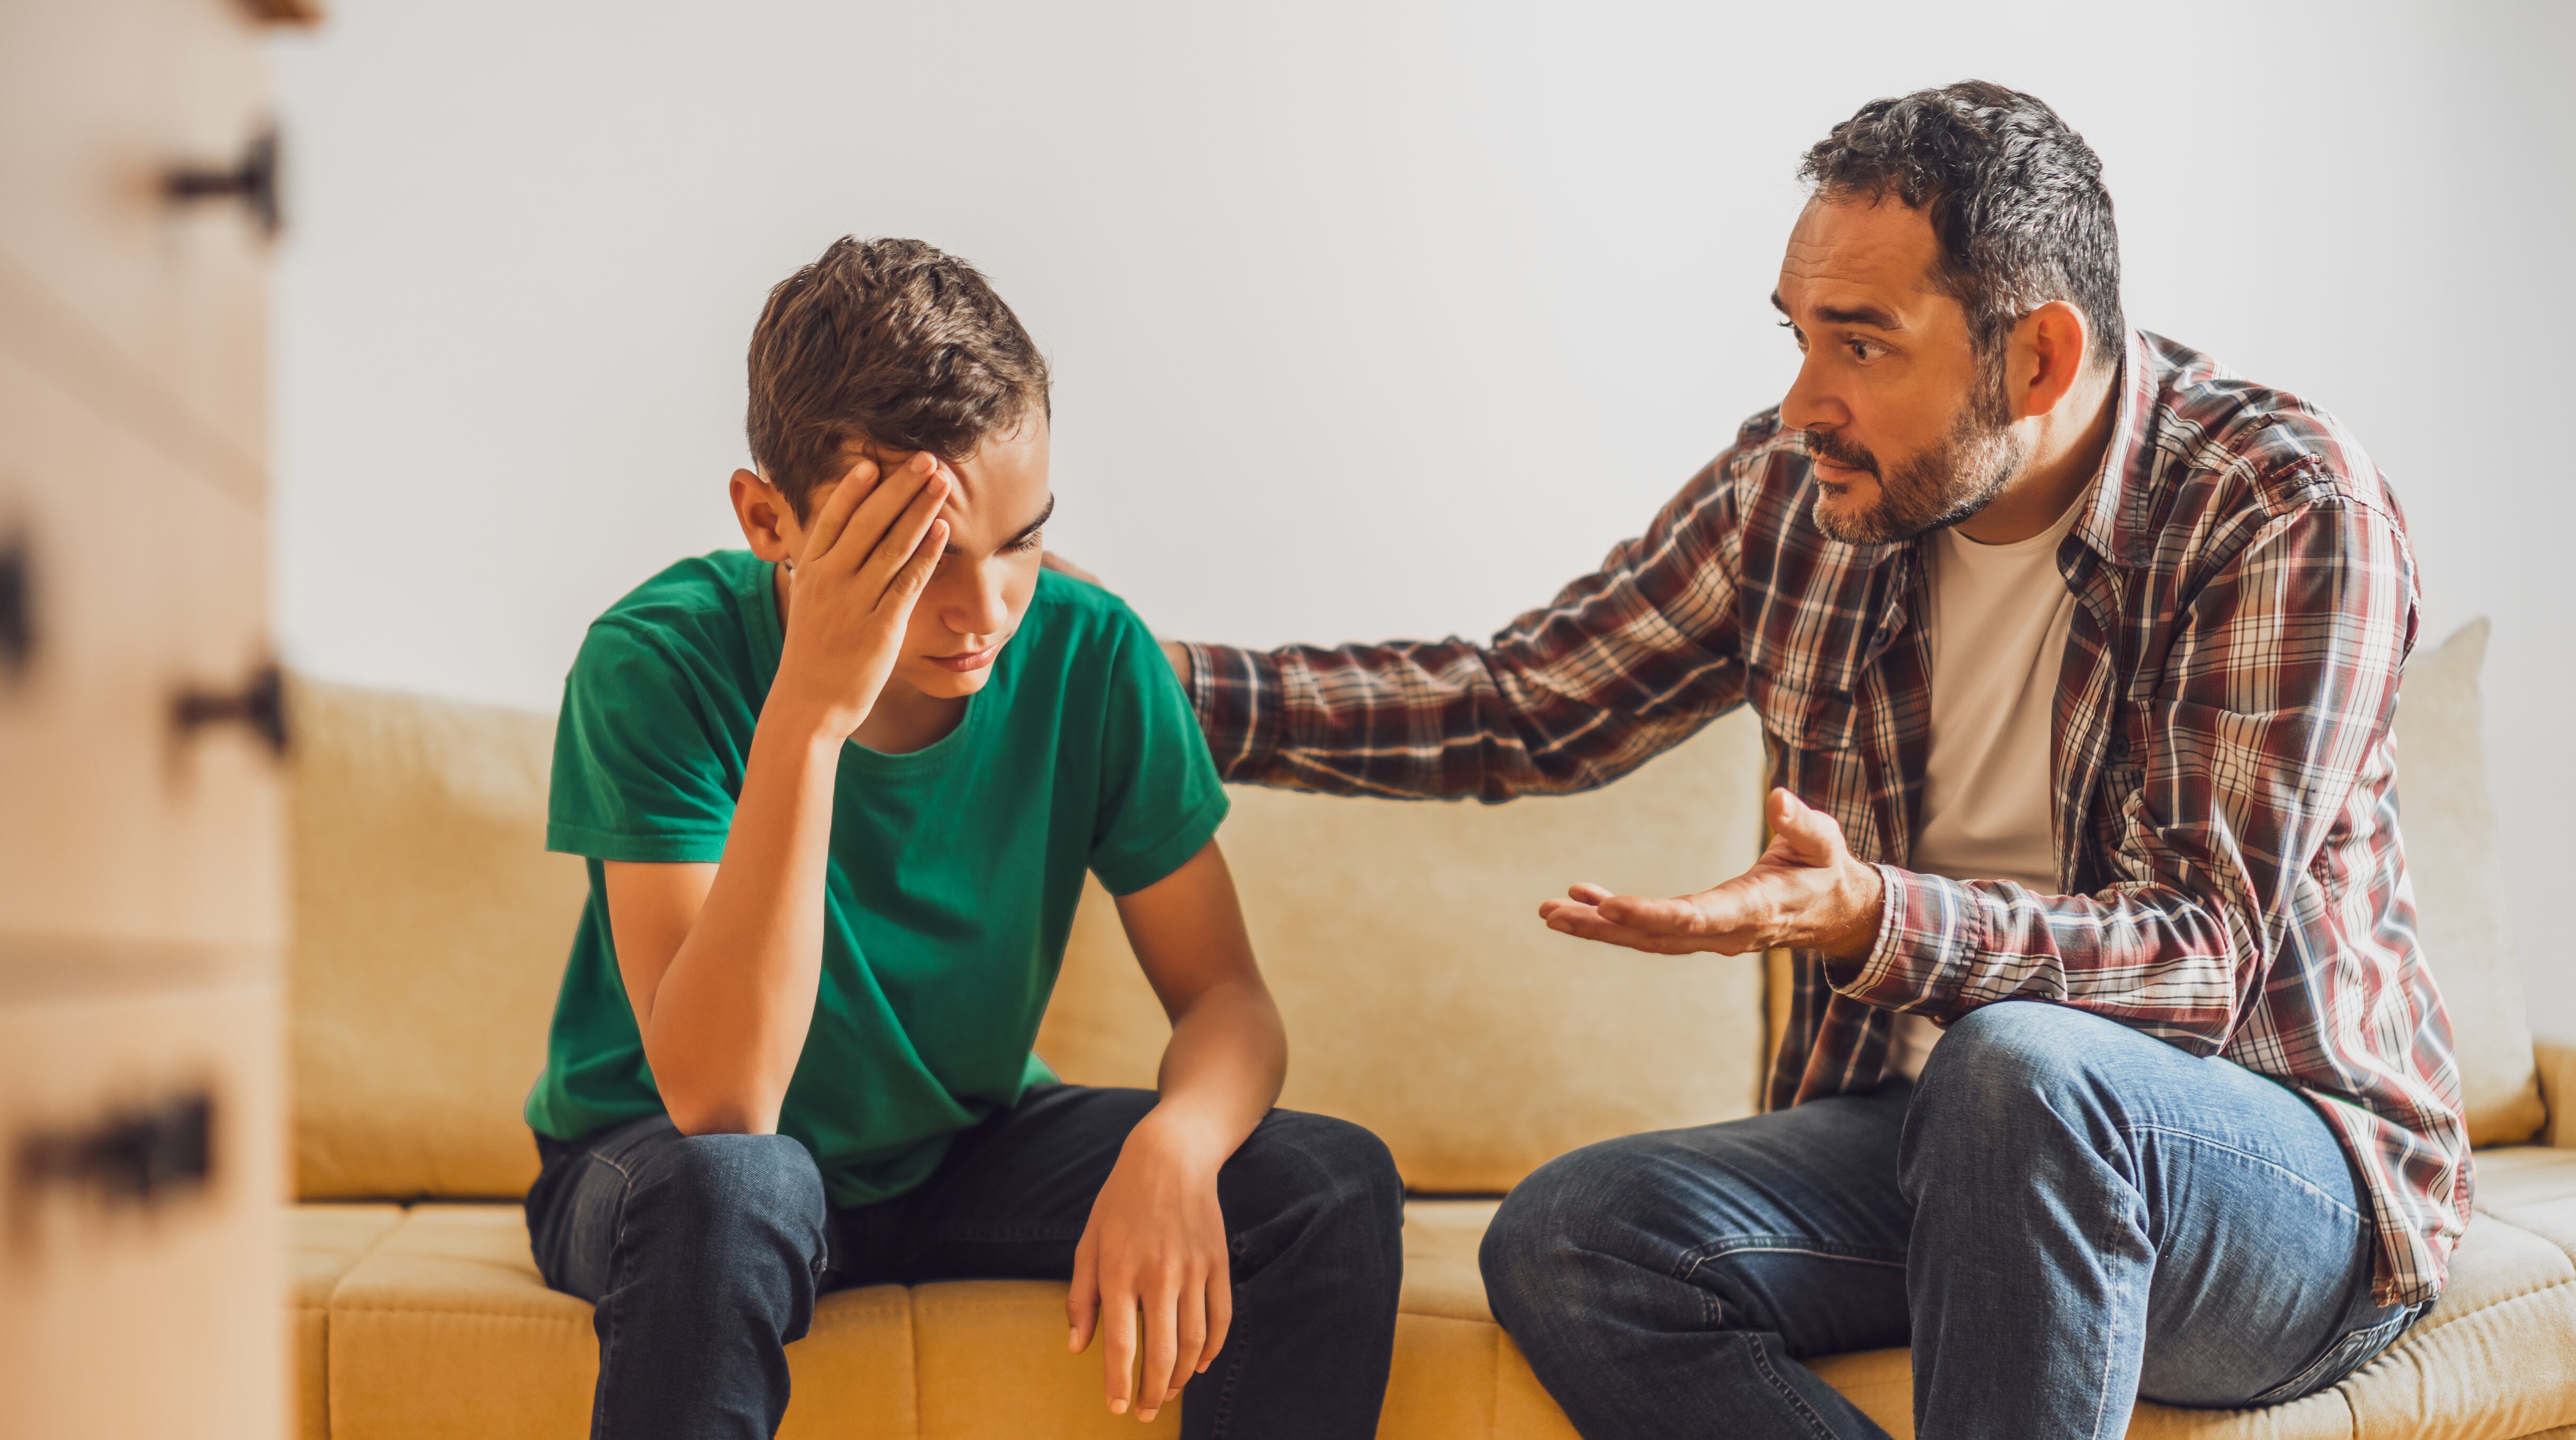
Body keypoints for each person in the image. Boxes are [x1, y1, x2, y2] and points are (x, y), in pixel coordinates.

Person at [1147, 82, 2467, 1439]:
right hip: (1934, 1140)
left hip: (2272, 1170)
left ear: (2038, 359)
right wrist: (1140, 678)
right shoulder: (1795, 497)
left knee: (2017, 1070)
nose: (1802, 403)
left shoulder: (2276, 503)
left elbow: (2200, 952)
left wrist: (1871, 915)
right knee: (1574, 1235)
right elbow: (1522, 702)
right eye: (1797, 337)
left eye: (1862, 345)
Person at [518, 237, 1403, 1440]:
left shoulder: (1093, 653)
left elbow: (1228, 999)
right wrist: (810, 717)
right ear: (768, 517)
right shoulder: (658, 661)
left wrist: (1175, 1145)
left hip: (958, 1144)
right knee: (740, 1185)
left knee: (1328, 1182)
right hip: (660, 1155)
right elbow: (722, 1098)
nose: (984, 613)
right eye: (923, 550)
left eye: (1021, 540)